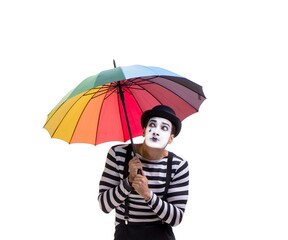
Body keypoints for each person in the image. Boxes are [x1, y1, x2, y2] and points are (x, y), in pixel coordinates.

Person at [98, 105, 189, 240]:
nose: (156, 132)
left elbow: (176, 218)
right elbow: (104, 205)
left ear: (171, 138)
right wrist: (128, 182)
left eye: (164, 128)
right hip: (126, 232)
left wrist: (147, 195)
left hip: (161, 234)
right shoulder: (118, 154)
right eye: (152, 125)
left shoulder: (178, 165)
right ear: (143, 131)